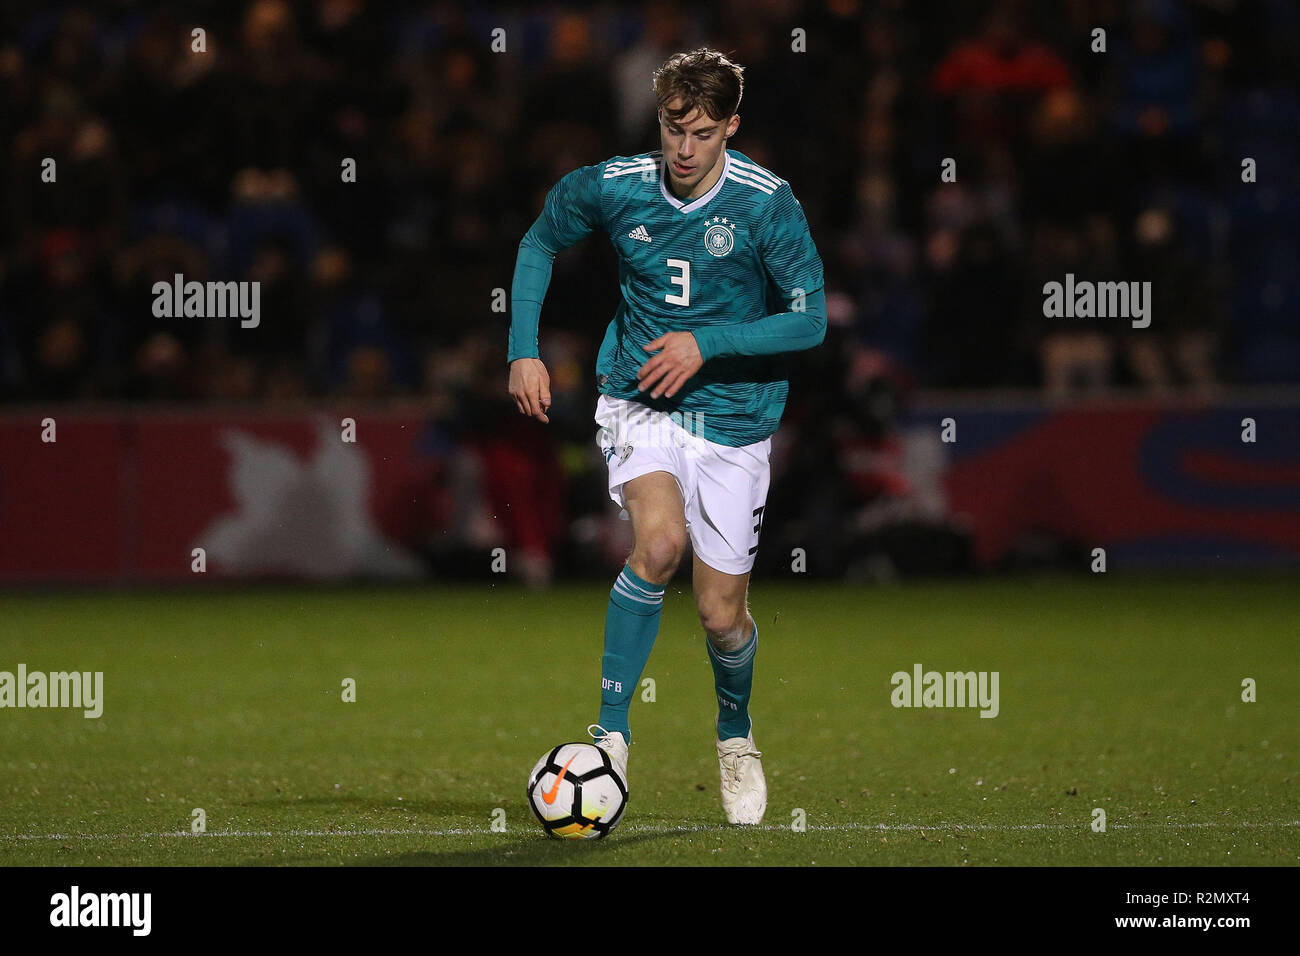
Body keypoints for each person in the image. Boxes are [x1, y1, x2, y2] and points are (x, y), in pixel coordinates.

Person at [507, 48, 825, 825]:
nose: (684, 149)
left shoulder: (766, 202)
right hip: (639, 401)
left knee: (721, 614)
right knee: (656, 547)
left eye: (703, 133)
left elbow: (809, 318)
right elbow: (538, 242)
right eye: (673, 129)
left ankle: (735, 735)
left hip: (736, 417)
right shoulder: (616, 186)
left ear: (731, 128)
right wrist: (523, 347)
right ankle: (611, 736)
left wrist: (706, 343)